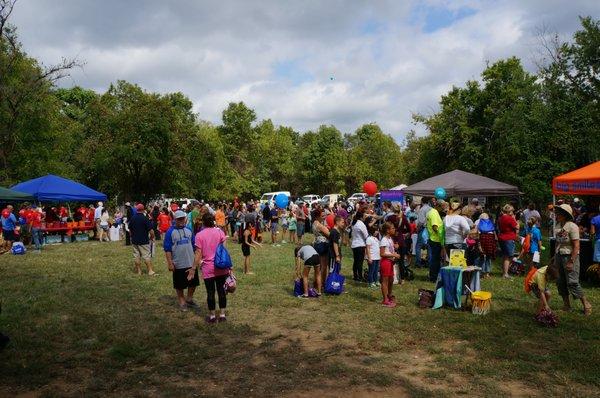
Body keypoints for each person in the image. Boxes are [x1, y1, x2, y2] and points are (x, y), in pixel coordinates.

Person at [554, 204, 592, 315]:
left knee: (572, 282)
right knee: (560, 281)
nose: (557, 214)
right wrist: (554, 257)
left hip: (570, 256)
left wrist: (571, 261)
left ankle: (586, 304)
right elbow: (558, 242)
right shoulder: (558, 225)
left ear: (565, 214)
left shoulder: (572, 226)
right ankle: (567, 305)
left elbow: (576, 246)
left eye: (559, 212)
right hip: (559, 256)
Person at [191, 213, 229, 323]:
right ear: (213, 221)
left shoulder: (199, 235)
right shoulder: (220, 232)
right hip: (220, 266)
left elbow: (198, 252)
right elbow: (224, 249)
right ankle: (222, 314)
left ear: (203, 222)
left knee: (210, 292)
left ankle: (212, 316)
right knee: (221, 291)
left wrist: (194, 267)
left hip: (207, 268)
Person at [164, 210, 199, 311]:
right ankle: (182, 301)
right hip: (178, 263)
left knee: (193, 283)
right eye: (179, 219)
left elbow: (194, 246)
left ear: (185, 219)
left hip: (190, 262)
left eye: (182, 218)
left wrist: (196, 261)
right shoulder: (170, 232)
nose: (181, 220)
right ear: (175, 219)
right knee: (179, 284)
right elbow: (167, 249)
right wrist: (170, 263)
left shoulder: (189, 230)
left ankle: (189, 299)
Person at [128, 204, 157, 276]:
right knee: (146, 256)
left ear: (137, 210)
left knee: (136, 256)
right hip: (143, 240)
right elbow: (151, 230)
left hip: (135, 240)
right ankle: (150, 271)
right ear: (143, 209)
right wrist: (152, 237)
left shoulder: (132, 218)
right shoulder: (145, 218)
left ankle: (139, 271)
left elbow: (130, 230)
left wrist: (132, 236)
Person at [380, 222, 400, 307]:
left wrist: (395, 249)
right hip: (385, 262)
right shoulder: (384, 240)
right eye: (392, 228)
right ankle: (385, 299)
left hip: (390, 262)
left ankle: (389, 296)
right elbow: (382, 254)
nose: (394, 229)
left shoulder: (390, 239)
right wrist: (393, 255)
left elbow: (389, 251)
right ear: (388, 230)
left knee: (391, 280)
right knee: (385, 281)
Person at [498, 204, 519, 279]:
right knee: (509, 256)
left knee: (505, 255)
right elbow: (517, 227)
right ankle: (505, 273)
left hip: (502, 237)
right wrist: (515, 219)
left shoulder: (501, 217)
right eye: (512, 211)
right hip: (508, 238)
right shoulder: (509, 218)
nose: (513, 212)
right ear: (509, 211)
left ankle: (504, 271)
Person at [426, 199, 444, 282]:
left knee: (436, 259)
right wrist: (441, 235)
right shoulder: (433, 213)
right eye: (442, 206)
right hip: (435, 239)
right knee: (435, 260)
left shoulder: (434, 212)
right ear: (438, 206)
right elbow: (435, 227)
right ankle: (433, 277)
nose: (443, 209)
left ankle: (434, 275)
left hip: (435, 239)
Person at [312, 209, 331, 284]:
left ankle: (316, 281)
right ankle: (322, 283)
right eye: (322, 216)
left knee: (318, 266)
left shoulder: (314, 223)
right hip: (323, 244)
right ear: (317, 216)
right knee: (324, 266)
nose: (324, 217)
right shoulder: (320, 225)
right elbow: (329, 235)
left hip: (317, 243)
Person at [476, 213, 496, 278]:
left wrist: (478, 244)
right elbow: (494, 232)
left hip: (482, 240)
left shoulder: (478, 222)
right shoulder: (490, 222)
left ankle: (481, 272)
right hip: (490, 240)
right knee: (488, 257)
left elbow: (477, 233)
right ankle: (487, 273)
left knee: (481, 257)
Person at [351, 211, 368, 282]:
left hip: (354, 244)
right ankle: (360, 276)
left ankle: (355, 275)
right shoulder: (361, 224)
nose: (365, 217)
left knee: (356, 261)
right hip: (360, 245)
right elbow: (366, 235)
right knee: (360, 262)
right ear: (361, 217)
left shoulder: (353, 223)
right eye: (364, 216)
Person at [415, 197, 432, 267]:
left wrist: (418, 229)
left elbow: (421, 222)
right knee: (429, 247)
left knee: (418, 246)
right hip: (430, 229)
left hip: (423, 229)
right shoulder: (431, 209)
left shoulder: (422, 209)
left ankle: (419, 263)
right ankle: (429, 263)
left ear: (422, 202)